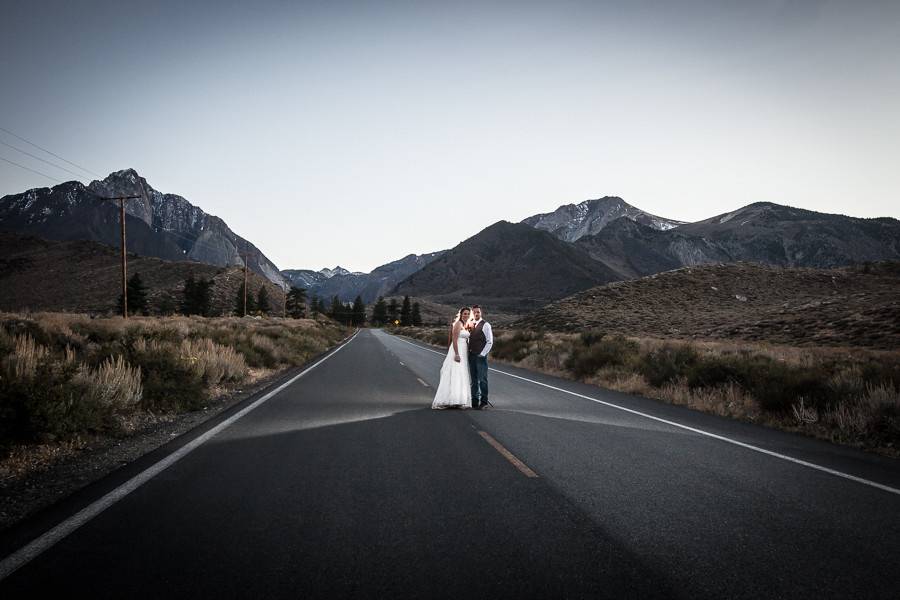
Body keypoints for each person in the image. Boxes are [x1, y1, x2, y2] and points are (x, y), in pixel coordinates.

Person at [431, 307, 473, 409]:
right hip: (457, 350)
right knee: (454, 372)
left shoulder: (465, 324)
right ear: (461, 314)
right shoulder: (458, 324)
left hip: (463, 350)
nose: (466, 315)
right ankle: (448, 399)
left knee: (461, 374)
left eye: (468, 314)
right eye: (464, 313)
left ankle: (457, 399)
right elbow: (454, 340)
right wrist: (457, 354)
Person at [468, 305, 493, 409]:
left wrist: (482, 354)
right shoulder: (470, 324)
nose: (476, 314)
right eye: (474, 312)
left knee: (482, 379)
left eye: (478, 312)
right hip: (471, 356)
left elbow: (489, 342)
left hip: (480, 356)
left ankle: (484, 402)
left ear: (481, 312)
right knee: (474, 380)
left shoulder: (486, 325)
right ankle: (474, 401)